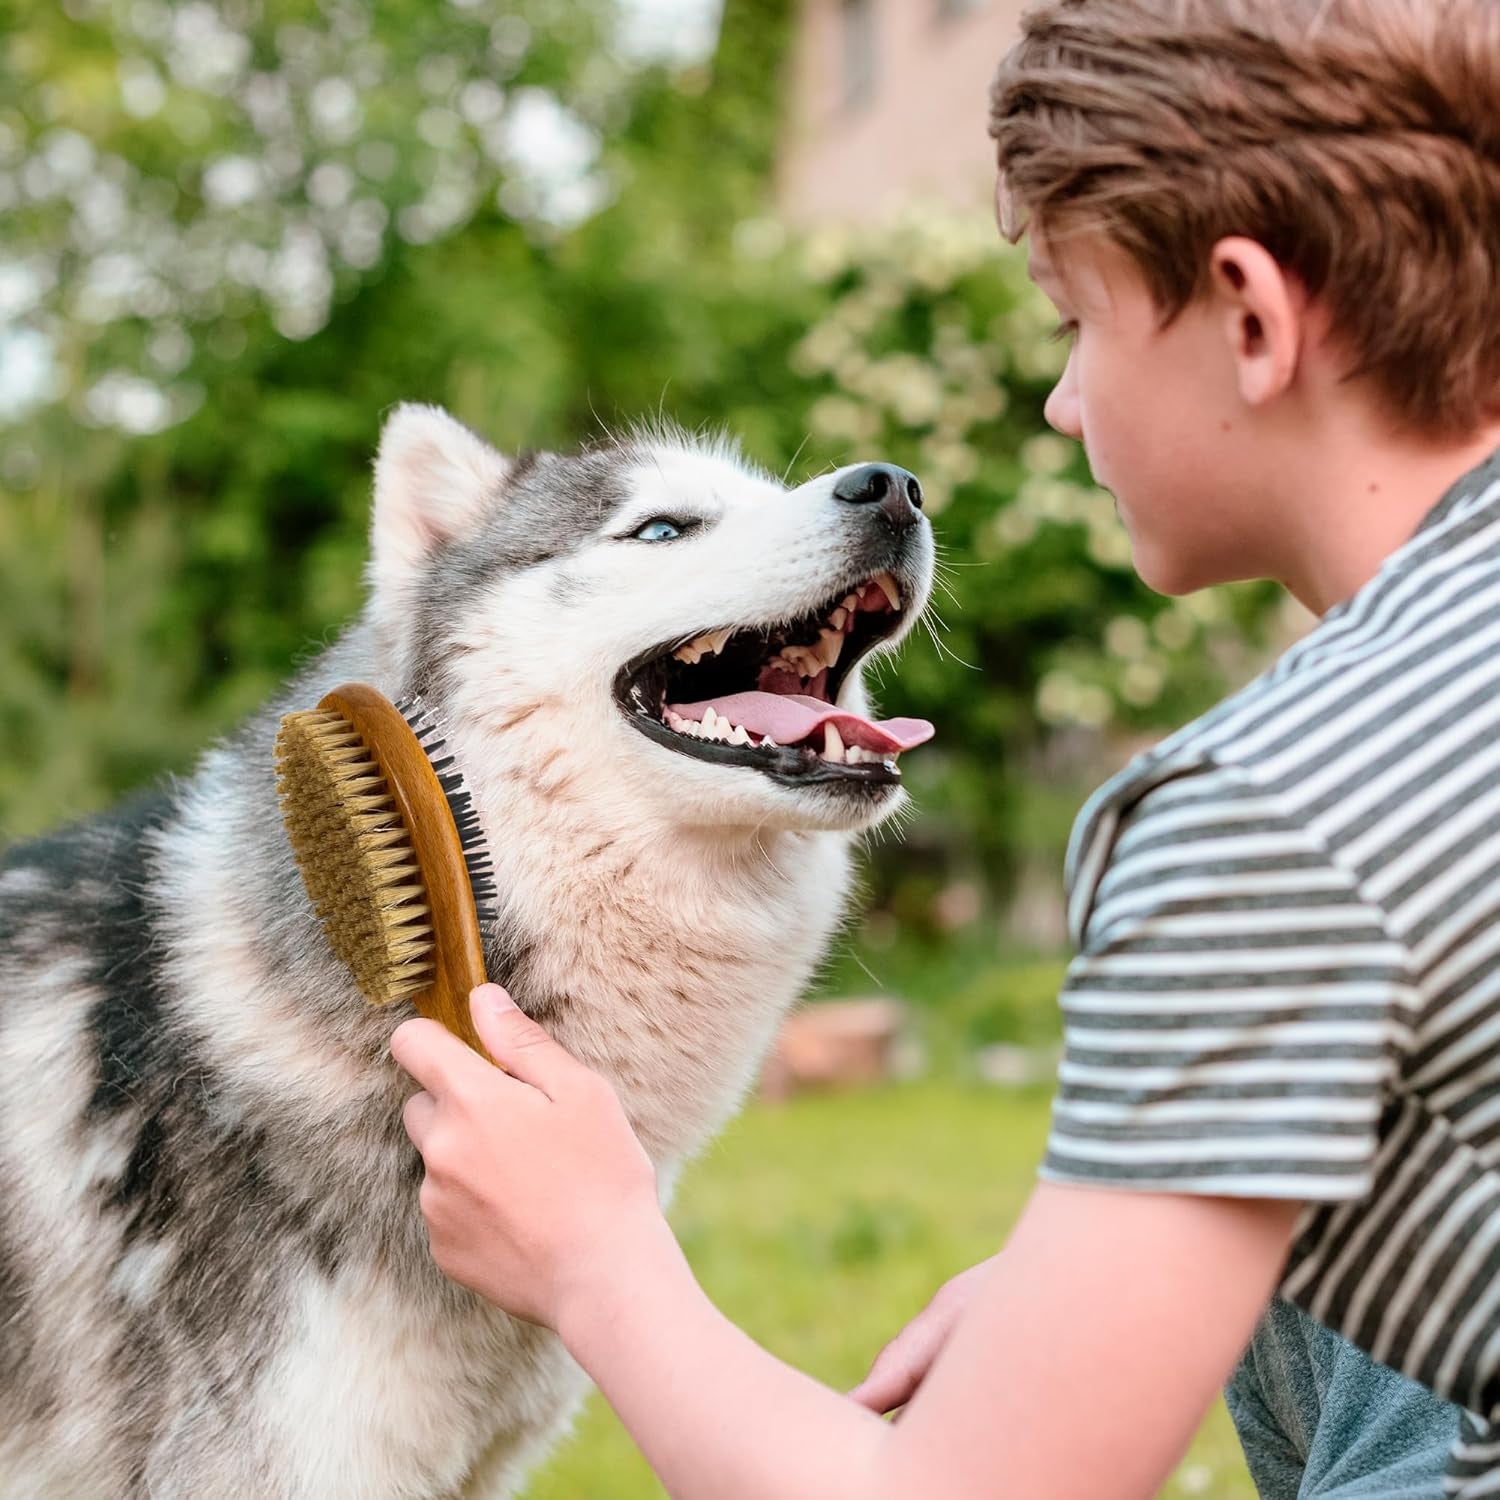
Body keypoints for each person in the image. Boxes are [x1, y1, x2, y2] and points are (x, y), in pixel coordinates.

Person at [390, 1, 1500, 1494]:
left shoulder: (1264, 813)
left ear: (1250, 316)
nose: (1061, 401)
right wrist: (1124, 1290)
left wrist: (599, 1264)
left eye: (1077, 322)